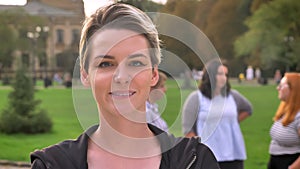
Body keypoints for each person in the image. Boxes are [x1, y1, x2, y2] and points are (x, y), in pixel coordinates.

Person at [30, 3, 220, 169]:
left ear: (153, 75)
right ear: (85, 75)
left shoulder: (195, 161)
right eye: (106, 64)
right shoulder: (53, 165)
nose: (121, 77)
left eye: (136, 63)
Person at [182, 59, 253, 169]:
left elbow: (248, 109)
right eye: (220, 74)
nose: (224, 78)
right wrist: (200, 150)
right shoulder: (196, 98)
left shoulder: (233, 96)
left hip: (233, 155)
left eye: (226, 74)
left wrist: (232, 123)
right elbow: (187, 130)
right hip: (208, 157)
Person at [267, 73, 300, 169]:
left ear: (293, 89)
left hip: (289, 162)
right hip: (276, 161)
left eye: (281, 85)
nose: (278, 88)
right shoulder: (285, 111)